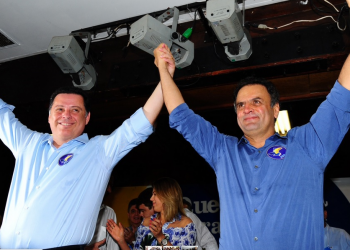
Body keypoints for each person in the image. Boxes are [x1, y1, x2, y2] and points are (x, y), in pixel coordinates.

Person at [153, 43, 350, 249]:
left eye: (256, 102)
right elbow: (182, 117)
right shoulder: (223, 151)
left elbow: (342, 98)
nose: (247, 109)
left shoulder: (307, 146)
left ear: (275, 110)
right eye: (241, 105)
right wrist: (163, 71)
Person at [0, 82, 164, 249]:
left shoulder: (99, 152)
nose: (66, 115)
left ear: (87, 118)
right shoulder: (28, 142)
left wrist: (166, 75)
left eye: (75, 110)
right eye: (60, 109)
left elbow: (141, 122)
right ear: (49, 116)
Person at [107, 178, 196, 249]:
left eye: (155, 194)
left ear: (166, 196)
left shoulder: (186, 224)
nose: (151, 198)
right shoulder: (146, 222)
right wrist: (121, 240)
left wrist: (161, 237)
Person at [86, 178, 119, 250]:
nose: (109, 190)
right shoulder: (78, 212)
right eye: (107, 185)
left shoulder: (109, 213)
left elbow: (113, 247)